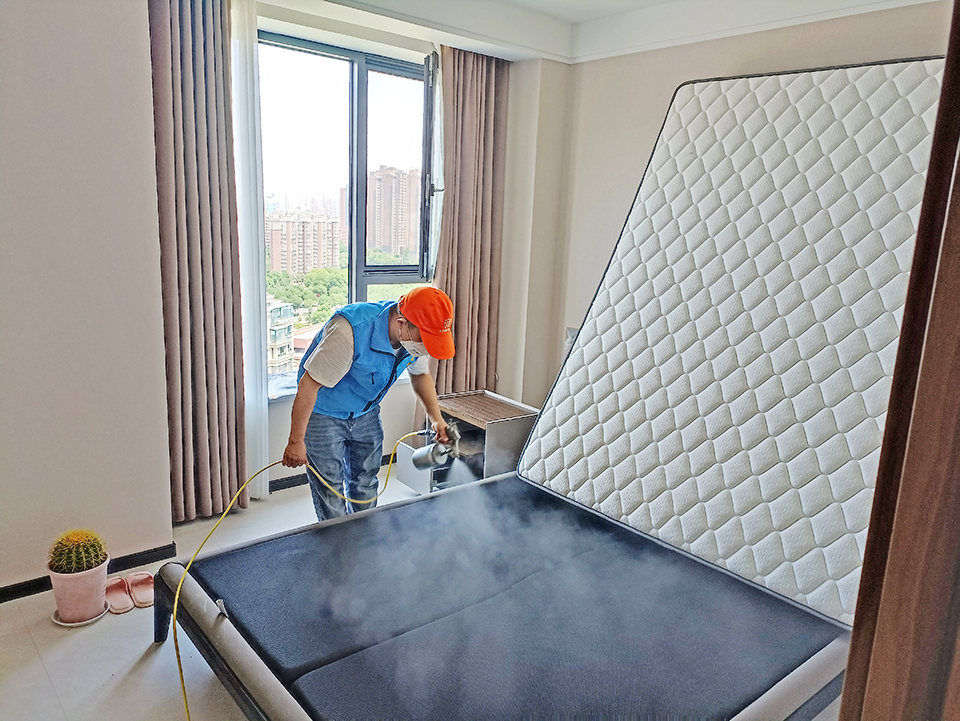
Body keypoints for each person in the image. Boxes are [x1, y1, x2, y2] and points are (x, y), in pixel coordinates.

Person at [281, 286, 455, 521]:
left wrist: (436, 419)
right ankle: (336, 540)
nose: (426, 348)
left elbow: (420, 376)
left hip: (366, 411)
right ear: (402, 323)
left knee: (365, 481)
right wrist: (295, 442)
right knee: (330, 489)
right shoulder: (350, 331)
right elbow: (308, 386)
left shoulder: (411, 341)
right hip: (324, 412)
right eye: (425, 339)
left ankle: (364, 535)